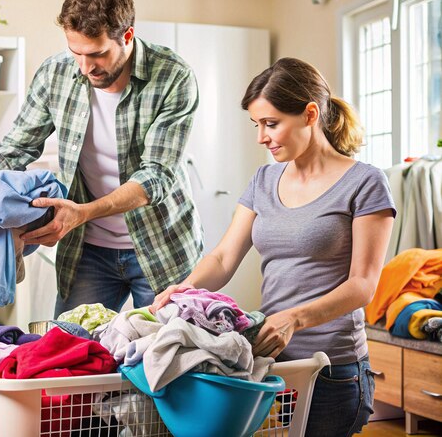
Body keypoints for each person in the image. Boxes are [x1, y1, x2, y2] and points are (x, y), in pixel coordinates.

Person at [0, 0, 203, 317]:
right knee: (69, 355)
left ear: (127, 37)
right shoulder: (56, 74)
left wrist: (83, 212)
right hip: (88, 251)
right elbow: (16, 147)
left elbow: (157, 175)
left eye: (97, 54)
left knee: (165, 361)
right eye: (75, 52)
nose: (85, 67)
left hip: (161, 247)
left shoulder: (173, 76)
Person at [151, 57, 396, 436]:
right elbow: (223, 256)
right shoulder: (264, 179)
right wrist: (187, 286)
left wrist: (295, 318)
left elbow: (363, 285)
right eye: (257, 124)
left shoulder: (365, 183)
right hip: (272, 361)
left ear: (310, 114)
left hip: (333, 368)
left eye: (271, 123)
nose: (261, 137)